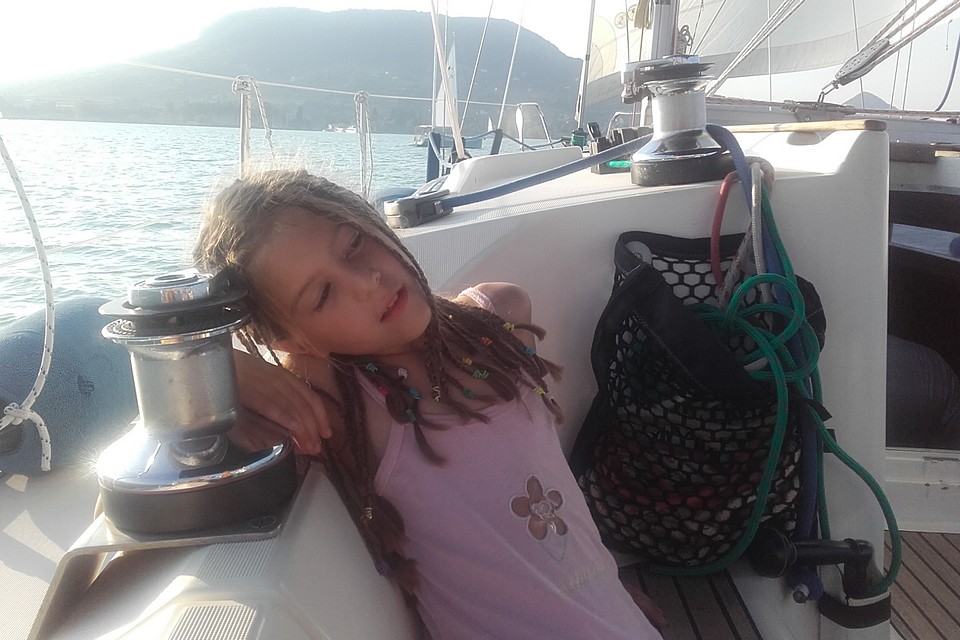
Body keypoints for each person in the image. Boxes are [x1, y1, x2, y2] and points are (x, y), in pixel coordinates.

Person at [194, 168, 665, 639]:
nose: (366, 280)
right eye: (323, 294)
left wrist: (609, 587)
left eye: (354, 243)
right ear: (291, 340)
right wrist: (230, 367)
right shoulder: (339, 403)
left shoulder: (502, 315)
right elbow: (189, 407)